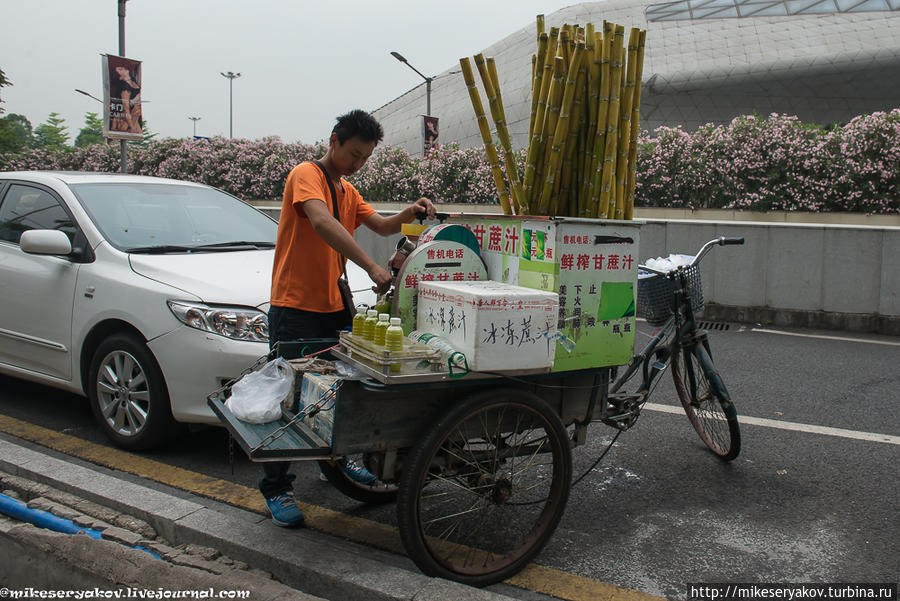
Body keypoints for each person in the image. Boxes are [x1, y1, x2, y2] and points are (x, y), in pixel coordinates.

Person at [262, 109, 436, 528]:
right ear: (334, 141)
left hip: (334, 307)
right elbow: (322, 222)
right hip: (295, 307)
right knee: (288, 397)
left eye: (365, 158)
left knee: (334, 394)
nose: (358, 163)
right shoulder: (306, 175)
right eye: (354, 154)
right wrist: (370, 267)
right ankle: (276, 486)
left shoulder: (347, 189)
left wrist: (409, 212)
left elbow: (381, 226)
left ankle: (335, 465)